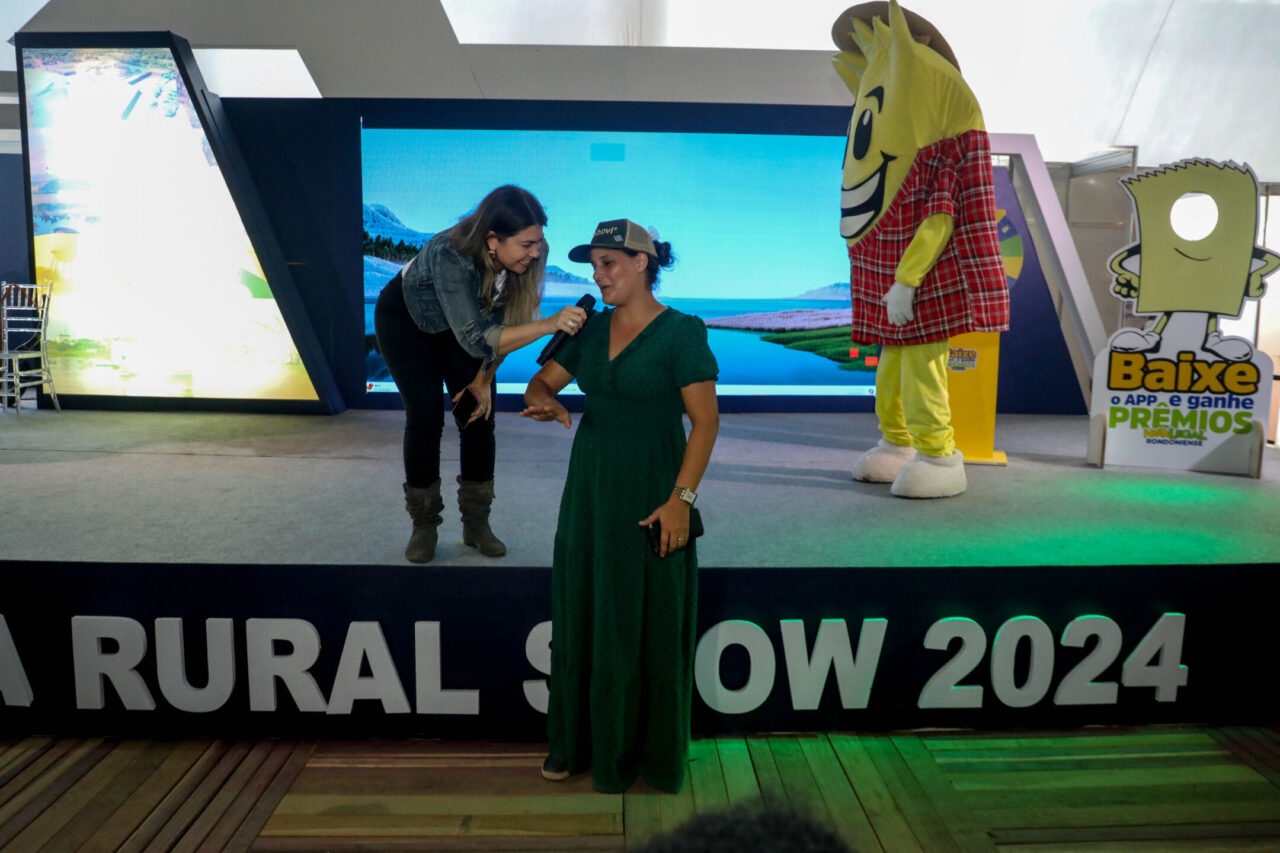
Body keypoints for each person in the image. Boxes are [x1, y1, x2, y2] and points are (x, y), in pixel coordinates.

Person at [522, 219, 719, 793]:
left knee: (648, 618)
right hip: (590, 493)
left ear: (642, 263)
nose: (598, 275)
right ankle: (577, 743)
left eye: (608, 263)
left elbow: (705, 423)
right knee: (584, 610)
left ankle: (648, 754)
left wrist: (681, 501)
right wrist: (543, 400)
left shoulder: (682, 332)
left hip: (654, 491)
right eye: (593, 266)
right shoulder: (588, 330)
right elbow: (541, 384)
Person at [374, 185, 587, 563]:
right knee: (424, 417)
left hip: (471, 326)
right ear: (492, 240)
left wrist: (483, 380)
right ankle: (424, 524)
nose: (536, 251)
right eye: (526, 245)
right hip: (408, 322)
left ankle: (476, 524)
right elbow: (478, 339)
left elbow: (507, 323)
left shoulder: (529, 254)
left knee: (477, 413)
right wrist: (549, 324)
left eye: (538, 241)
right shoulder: (449, 255)